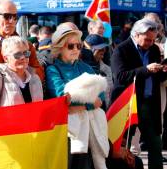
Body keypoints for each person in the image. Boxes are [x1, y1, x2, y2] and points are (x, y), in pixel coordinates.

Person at [46, 26, 105, 169]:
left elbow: (100, 95)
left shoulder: (86, 67)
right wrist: (88, 104)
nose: (75, 49)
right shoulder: (53, 69)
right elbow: (62, 97)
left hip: (92, 128)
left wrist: (79, 103)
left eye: (78, 45)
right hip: (67, 130)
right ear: (59, 48)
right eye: (70, 46)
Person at [111, 18, 167, 169]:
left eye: (153, 40)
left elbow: (156, 77)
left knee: (156, 144)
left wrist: (163, 71)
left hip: (149, 104)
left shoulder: (154, 49)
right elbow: (120, 76)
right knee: (124, 145)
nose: (150, 43)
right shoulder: (121, 49)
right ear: (136, 35)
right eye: (147, 39)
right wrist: (146, 69)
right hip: (128, 105)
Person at [0, 36, 43, 109]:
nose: (23, 57)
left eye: (26, 53)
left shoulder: (35, 78)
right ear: (6, 58)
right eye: (17, 55)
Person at [83, 34, 113, 107]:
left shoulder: (106, 69)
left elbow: (109, 93)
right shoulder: (79, 67)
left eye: (104, 48)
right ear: (89, 49)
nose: (103, 51)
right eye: (99, 48)